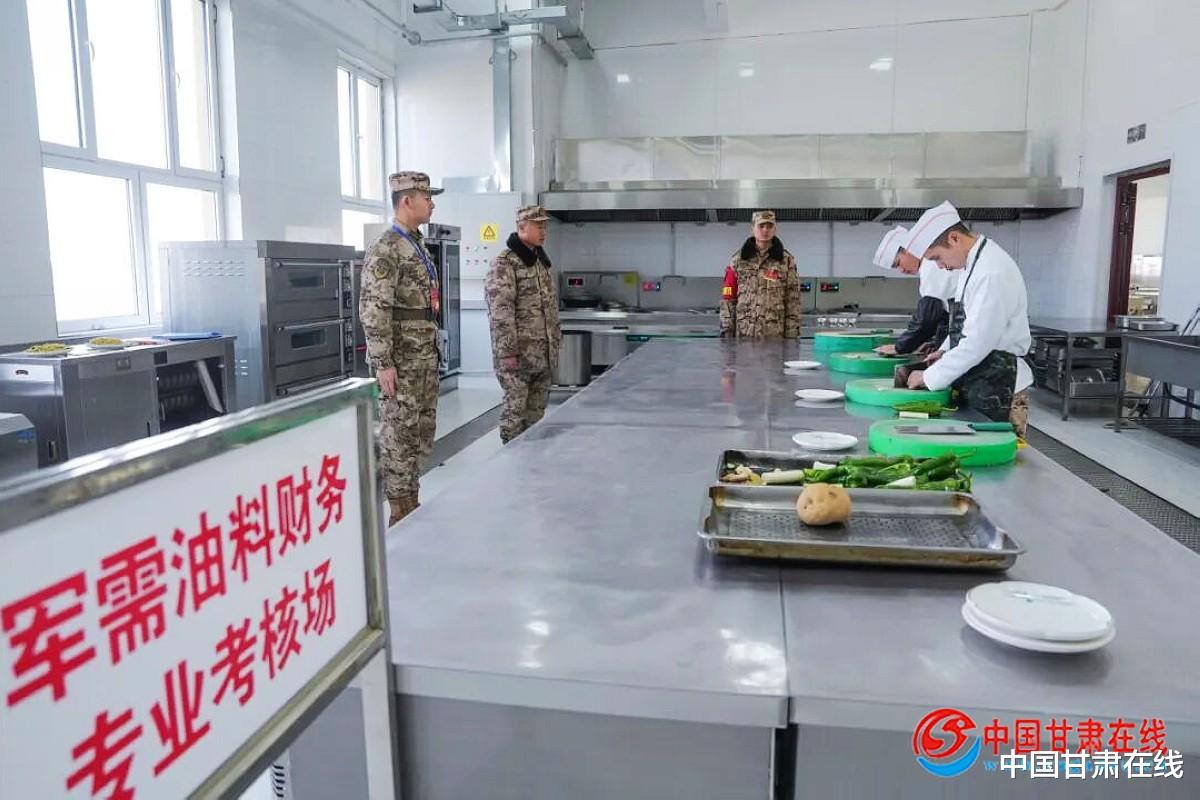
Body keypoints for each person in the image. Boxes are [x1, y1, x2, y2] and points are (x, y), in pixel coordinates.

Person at [901, 202, 1033, 437]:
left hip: (1001, 383)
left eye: (937, 258)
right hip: (981, 376)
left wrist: (928, 376)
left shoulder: (991, 272)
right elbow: (967, 324)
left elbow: (976, 343)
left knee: (995, 453)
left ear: (954, 238)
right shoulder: (973, 263)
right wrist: (945, 349)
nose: (940, 266)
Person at [359, 171, 443, 525]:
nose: (432, 204)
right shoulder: (387, 248)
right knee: (398, 435)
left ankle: (411, 503)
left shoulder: (417, 245)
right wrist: (383, 363)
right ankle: (399, 512)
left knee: (419, 434)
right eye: (427, 197)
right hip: (401, 362)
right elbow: (374, 308)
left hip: (422, 358)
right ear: (407, 200)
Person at [485, 205, 562, 444]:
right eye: (538, 226)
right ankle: (510, 456)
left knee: (536, 413)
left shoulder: (539, 261)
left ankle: (530, 457)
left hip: (541, 353)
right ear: (522, 227)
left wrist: (554, 345)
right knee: (515, 411)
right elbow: (500, 312)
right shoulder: (505, 263)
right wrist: (508, 352)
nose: (543, 231)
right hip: (518, 356)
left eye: (545, 226)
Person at [870, 225, 959, 356]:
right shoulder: (929, 266)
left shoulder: (931, 267)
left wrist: (901, 347)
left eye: (898, 263)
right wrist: (936, 344)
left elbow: (926, 320)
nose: (902, 270)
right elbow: (944, 317)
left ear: (908, 249)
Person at [719, 210, 802, 339]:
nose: (765, 230)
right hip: (744, 337)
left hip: (774, 338)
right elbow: (728, 299)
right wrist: (727, 333)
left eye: (769, 226)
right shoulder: (738, 260)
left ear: (775, 229)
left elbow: (793, 301)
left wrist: (791, 338)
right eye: (761, 226)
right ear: (752, 229)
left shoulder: (786, 261)